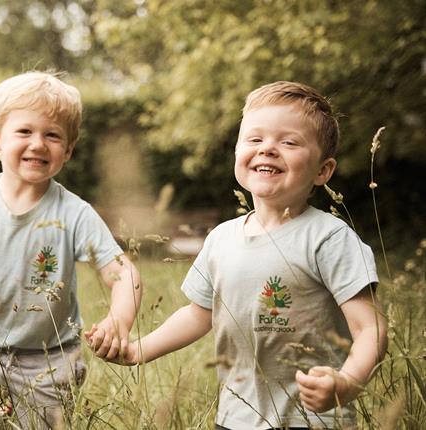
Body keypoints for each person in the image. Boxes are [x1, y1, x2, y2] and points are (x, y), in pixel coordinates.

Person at [97, 81, 388, 429]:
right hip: (236, 416)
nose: (268, 149)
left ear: (322, 171)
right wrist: (139, 350)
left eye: (289, 142)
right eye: (255, 139)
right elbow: (197, 314)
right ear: (237, 152)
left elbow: (371, 329)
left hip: (310, 419)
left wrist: (345, 383)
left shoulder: (330, 238)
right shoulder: (221, 239)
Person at [0, 71, 142, 427]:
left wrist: (119, 320)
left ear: (68, 150)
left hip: (50, 359)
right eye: (24, 131)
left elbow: (124, 274)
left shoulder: (74, 213)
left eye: (52, 135)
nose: (38, 144)